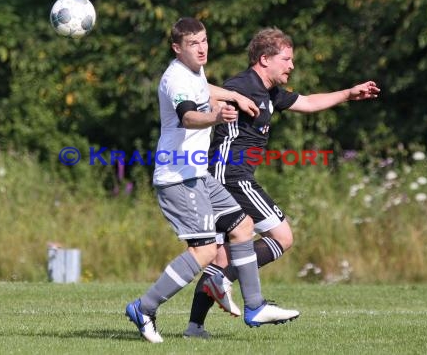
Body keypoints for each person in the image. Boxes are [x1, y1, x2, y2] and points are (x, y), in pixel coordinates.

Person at [183, 27, 380, 338]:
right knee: (283, 236)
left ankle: (194, 326)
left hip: (229, 176)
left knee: (219, 258)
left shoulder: (270, 92)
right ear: (265, 59)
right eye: (286, 59)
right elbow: (198, 90)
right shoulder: (243, 84)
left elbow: (310, 103)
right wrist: (230, 96)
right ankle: (241, 296)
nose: (291, 66)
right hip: (230, 175)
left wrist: (348, 93)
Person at [125, 19, 300, 343]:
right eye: (194, 43)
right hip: (178, 177)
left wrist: (232, 95)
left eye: (204, 40)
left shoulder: (194, 71)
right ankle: (144, 307)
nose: (202, 48)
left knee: (243, 227)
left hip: (198, 175)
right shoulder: (175, 78)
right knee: (205, 252)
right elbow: (188, 115)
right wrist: (217, 116)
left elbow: (205, 90)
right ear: (177, 48)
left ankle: (255, 306)